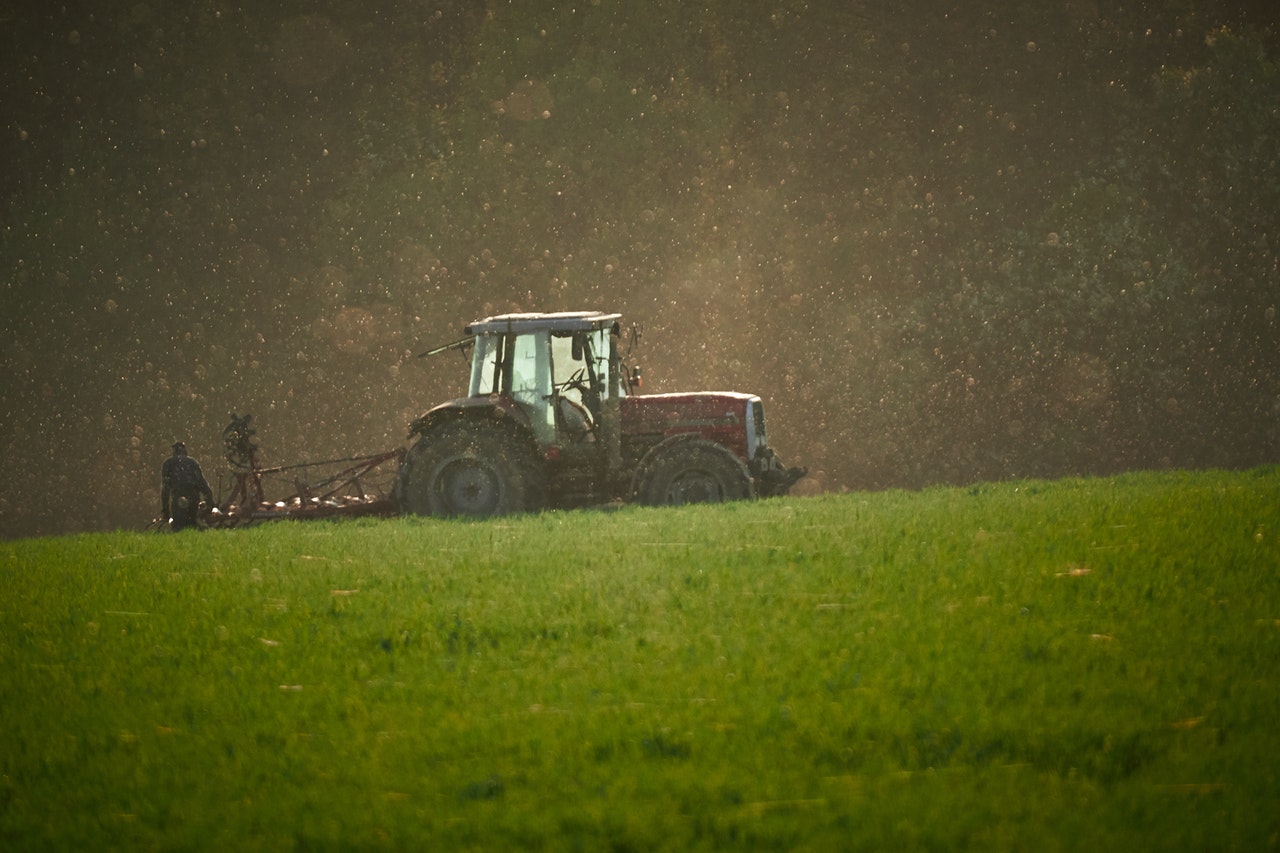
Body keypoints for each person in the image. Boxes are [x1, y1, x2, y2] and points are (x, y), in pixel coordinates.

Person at [161, 441, 214, 531]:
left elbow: (165, 488)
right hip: (193, 495)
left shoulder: (168, 463)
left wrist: (165, 509)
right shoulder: (192, 462)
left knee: (179, 526)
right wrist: (209, 500)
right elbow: (202, 482)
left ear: (173, 451)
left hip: (178, 496)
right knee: (192, 524)